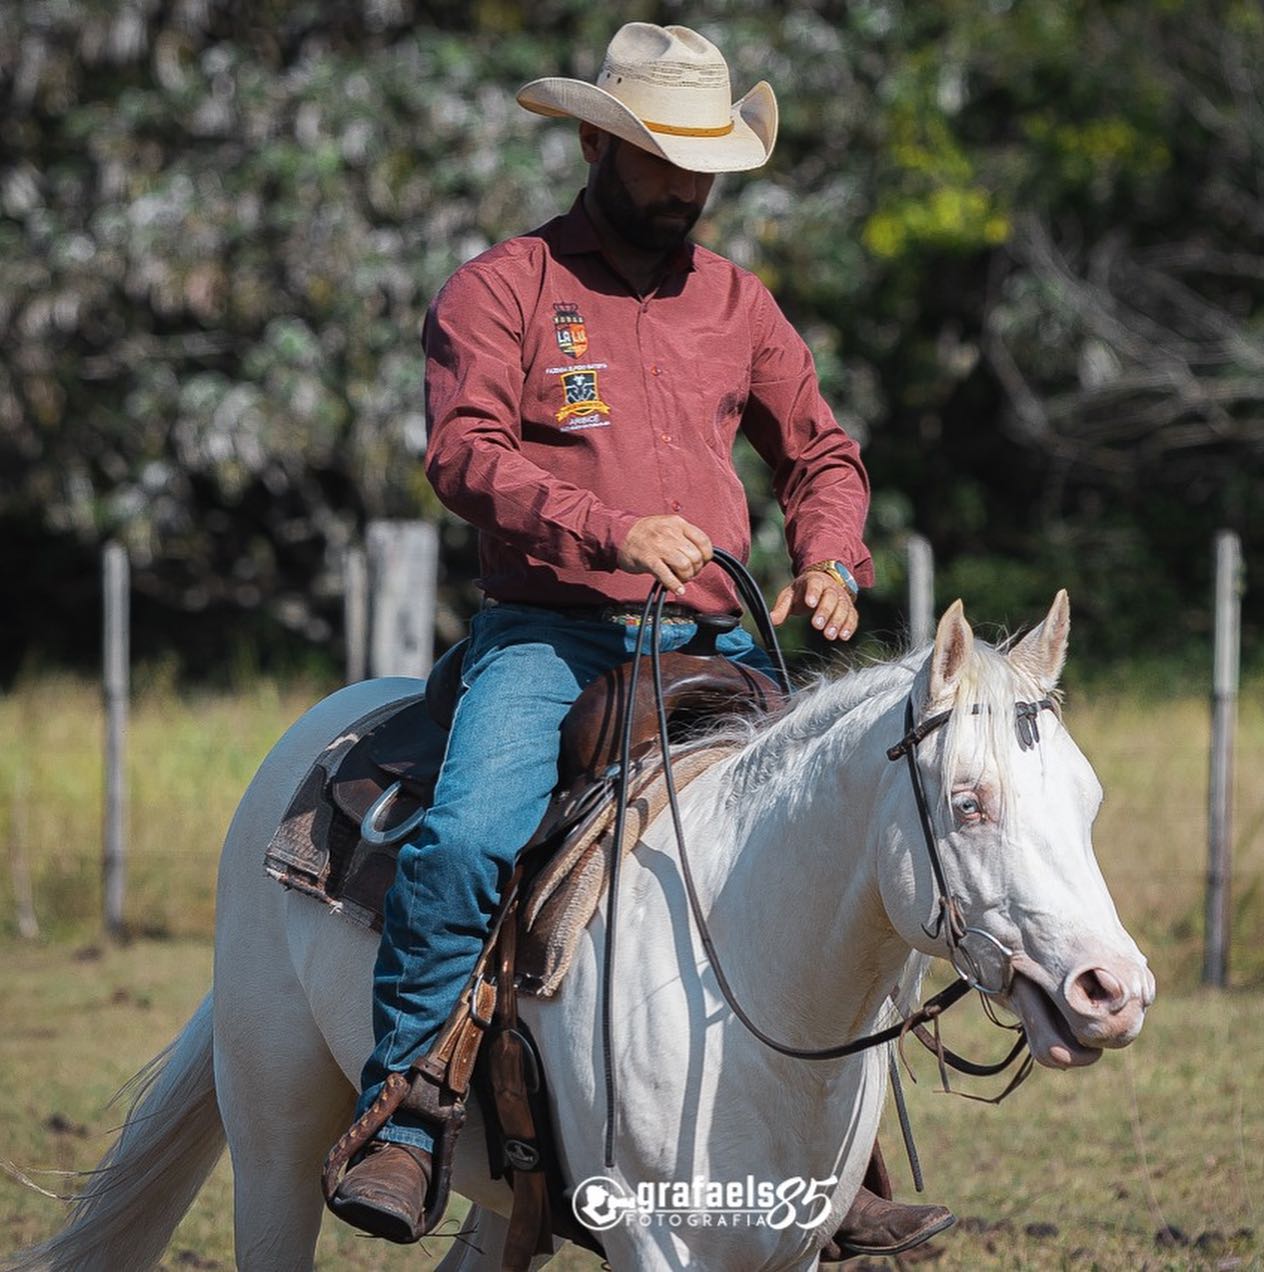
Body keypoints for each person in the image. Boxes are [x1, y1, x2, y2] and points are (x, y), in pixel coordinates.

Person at [329, 21, 954, 1262]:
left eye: (702, 164)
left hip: (714, 638)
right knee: (461, 839)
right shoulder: (502, 287)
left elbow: (820, 451)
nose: (683, 188)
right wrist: (608, 527)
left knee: (836, 837)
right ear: (595, 141)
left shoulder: (738, 303)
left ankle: (846, 1159)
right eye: (662, 159)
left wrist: (829, 555)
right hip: (550, 633)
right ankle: (404, 1106)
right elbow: (463, 454)